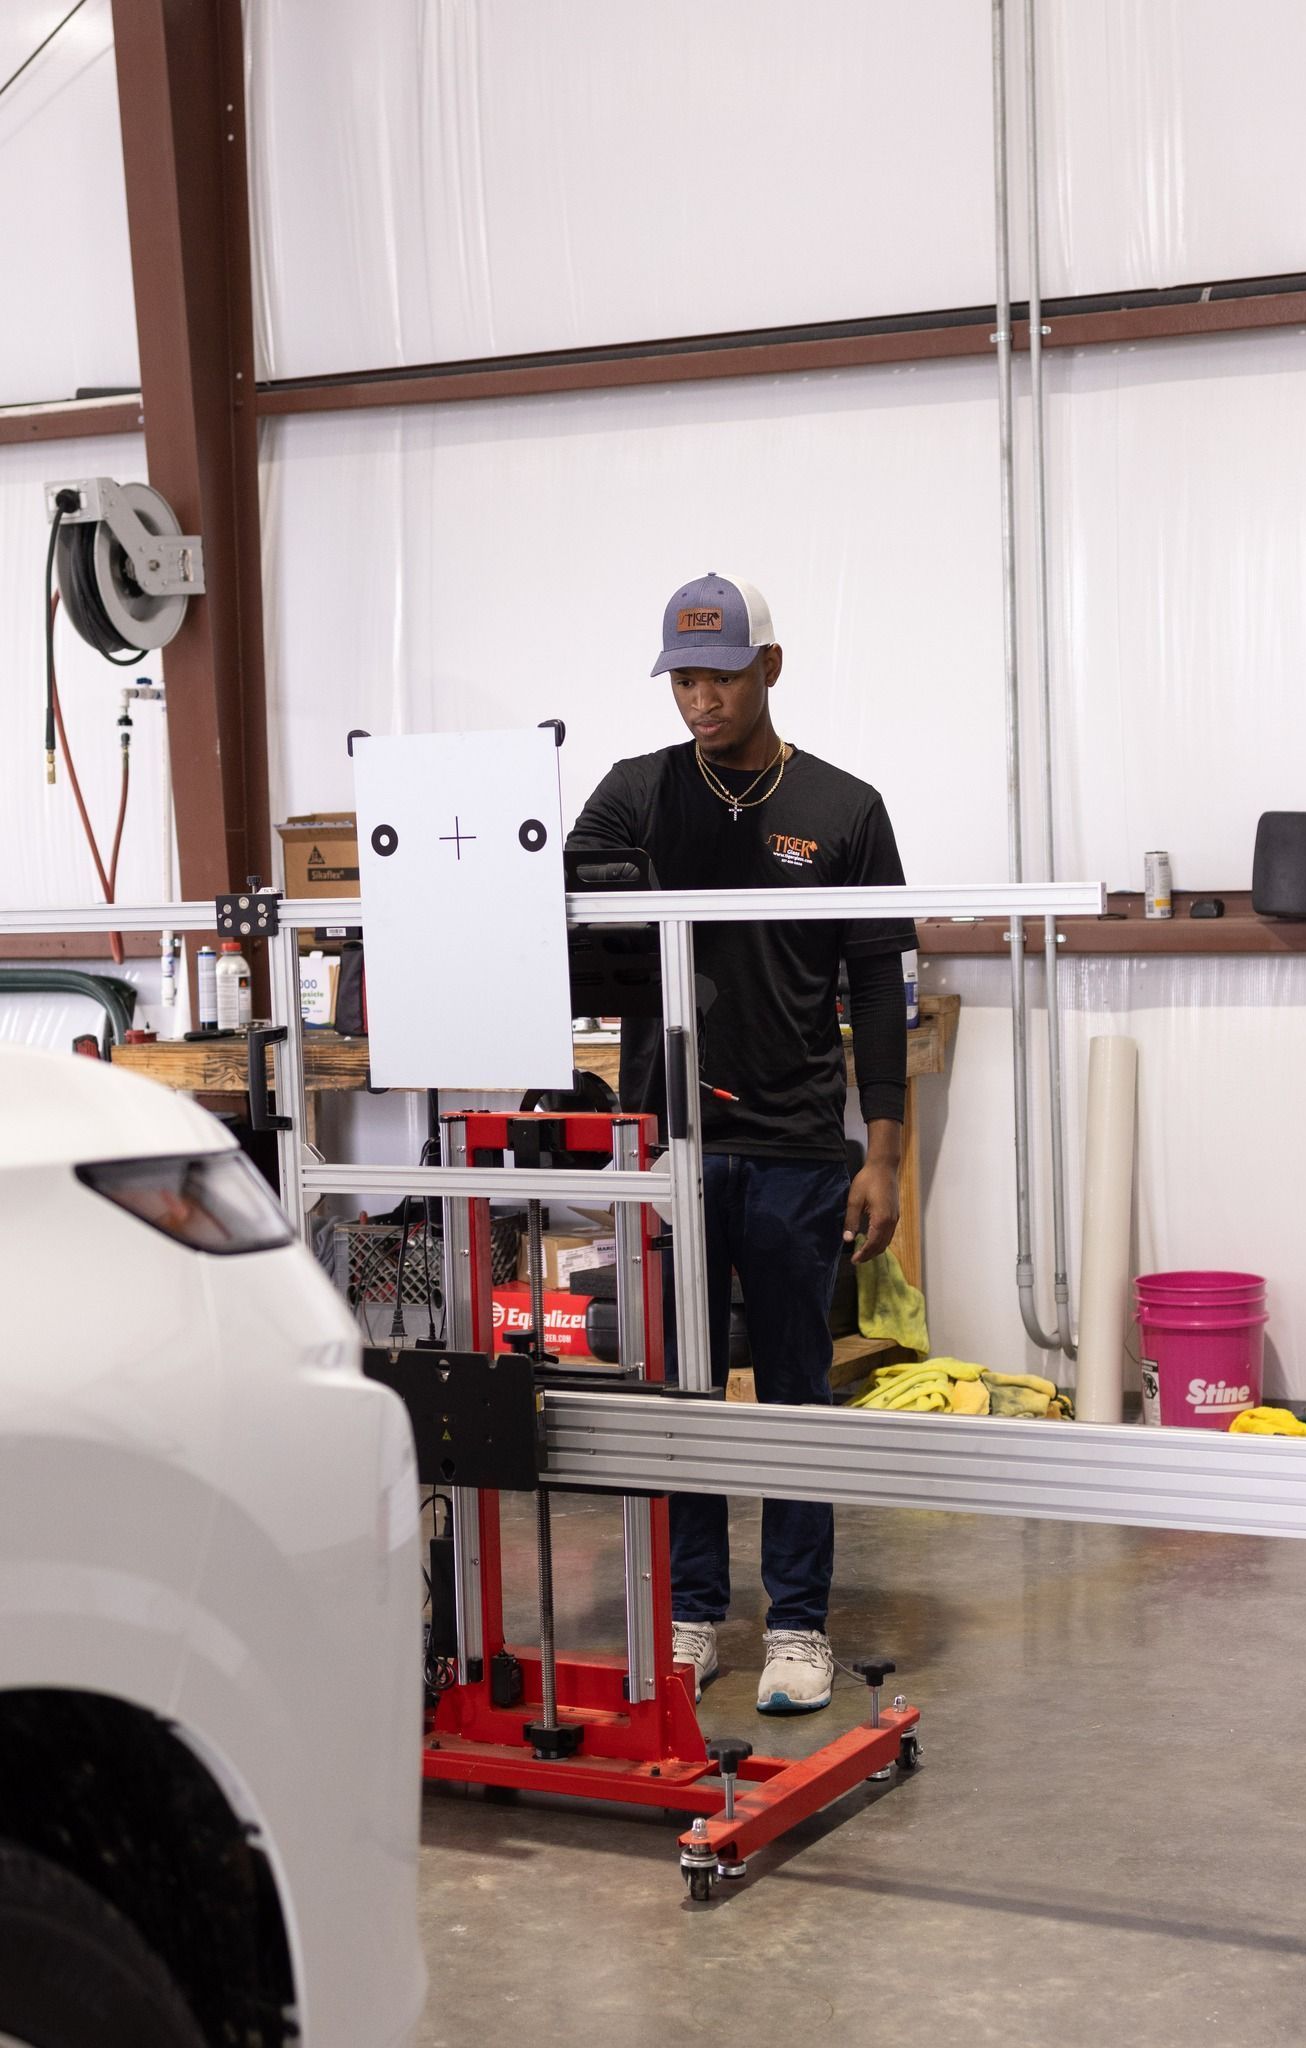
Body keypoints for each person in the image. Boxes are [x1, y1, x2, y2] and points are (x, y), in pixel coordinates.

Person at [566, 572, 914, 1713]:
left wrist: (886, 1151)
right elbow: (560, 903)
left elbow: (877, 981)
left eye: (719, 674)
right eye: (683, 678)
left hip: (799, 1144)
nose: (700, 698)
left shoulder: (846, 806)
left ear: (770, 666)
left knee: (798, 1388)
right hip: (673, 1139)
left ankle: (801, 1622)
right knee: (683, 1385)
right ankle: (693, 1610)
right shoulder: (634, 799)